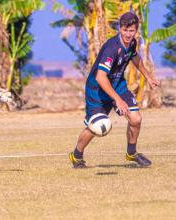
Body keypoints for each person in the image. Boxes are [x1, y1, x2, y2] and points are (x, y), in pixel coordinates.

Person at [69, 12, 160, 168]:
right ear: (120, 28)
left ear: (136, 30)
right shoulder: (112, 47)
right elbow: (100, 77)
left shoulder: (132, 43)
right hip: (97, 90)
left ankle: (131, 153)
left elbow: (135, 58)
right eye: (125, 30)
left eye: (131, 31)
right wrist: (117, 100)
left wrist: (148, 76)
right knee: (98, 126)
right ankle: (76, 156)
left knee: (136, 119)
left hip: (118, 85)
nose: (127, 34)